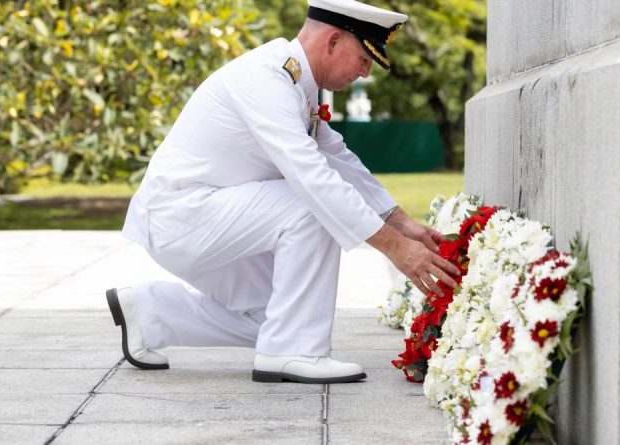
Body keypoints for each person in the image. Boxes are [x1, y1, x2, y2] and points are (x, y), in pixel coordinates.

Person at [106, 0, 460, 384]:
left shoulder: (297, 84)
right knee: (310, 204)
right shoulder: (266, 78)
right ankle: (293, 351)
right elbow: (311, 176)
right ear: (333, 40)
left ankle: (149, 313)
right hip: (181, 216)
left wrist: (401, 222)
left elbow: (338, 156)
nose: (364, 71)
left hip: (204, 218)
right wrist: (394, 247)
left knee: (278, 314)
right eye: (363, 57)